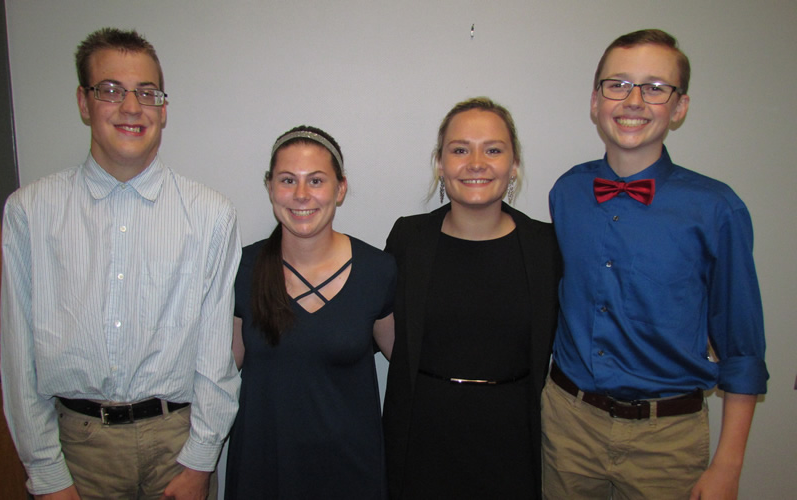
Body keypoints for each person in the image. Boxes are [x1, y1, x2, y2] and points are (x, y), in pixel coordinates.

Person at [0, 28, 241, 499]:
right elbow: (17, 354)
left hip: (177, 444)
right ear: (83, 102)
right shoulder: (31, 211)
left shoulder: (210, 214)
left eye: (147, 93)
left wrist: (200, 461)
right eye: (111, 90)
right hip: (76, 449)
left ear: (163, 109)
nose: (132, 107)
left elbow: (216, 358)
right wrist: (46, 473)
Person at [543, 29, 768, 500]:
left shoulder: (716, 208)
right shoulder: (567, 192)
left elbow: (742, 347)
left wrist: (728, 464)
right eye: (618, 84)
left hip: (666, 439)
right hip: (568, 425)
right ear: (595, 101)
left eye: (655, 87)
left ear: (680, 107)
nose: (634, 100)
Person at [382, 97, 561, 499]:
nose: (476, 163)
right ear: (440, 163)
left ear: (514, 165)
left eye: (493, 150)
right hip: (421, 438)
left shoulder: (547, 247)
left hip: (515, 441)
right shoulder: (408, 239)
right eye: (460, 150)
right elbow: (387, 330)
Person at [224, 126, 396, 499]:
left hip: (350, 473)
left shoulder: (377, 271)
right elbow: (221, 371)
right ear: (270, 187)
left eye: (316, 180)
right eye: (288, 180)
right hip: (264, 469)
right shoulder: (243, 269)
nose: (301, 194)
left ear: (340, 188)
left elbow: (407, 363)